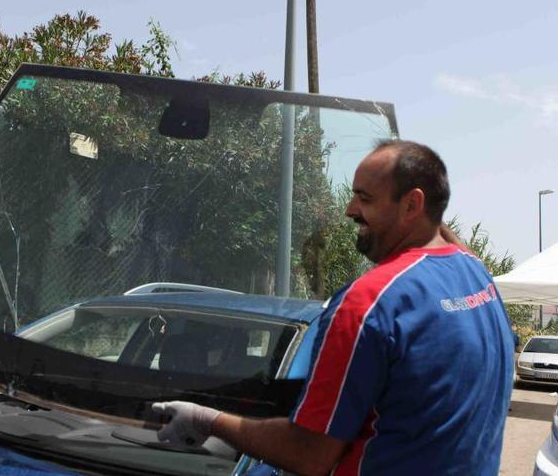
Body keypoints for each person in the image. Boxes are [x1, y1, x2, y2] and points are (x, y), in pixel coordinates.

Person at [152, 140, 514, 475]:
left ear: (411, 205)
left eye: (365, 198)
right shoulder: (475, 276)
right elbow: (443, 236)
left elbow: (310, 453)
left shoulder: (368, 303)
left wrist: (206, 419)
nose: (350, 209)